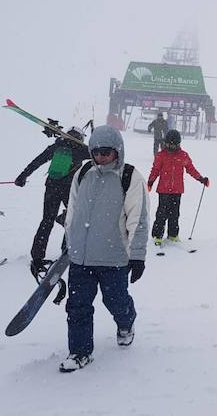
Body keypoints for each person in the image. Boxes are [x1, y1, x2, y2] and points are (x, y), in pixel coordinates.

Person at [59, 125, 149, 372]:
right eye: (96, 152)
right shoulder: (83, 173)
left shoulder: (130, 177)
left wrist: (137, 256)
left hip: (113, 258)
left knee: (116, 301)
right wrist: (70, 241)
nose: (101, 157)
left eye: (106, 152)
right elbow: (73, 211)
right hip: (81, 258)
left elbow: (139, 219)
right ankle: (79, 352)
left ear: (117, 151)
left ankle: (126, 322)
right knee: (77, 306)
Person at [14, 125, 90, 278]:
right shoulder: (82, 150)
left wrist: (23, 176)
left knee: (47, 220)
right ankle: (66, 249)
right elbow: (98, 154)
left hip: (52, 187)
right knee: (74, 218)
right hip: (69, 188)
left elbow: (37, 161)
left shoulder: (57, 146)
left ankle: (37, 256)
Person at [147, 129, 208, 246]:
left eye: (174, 145)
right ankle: (157, 235)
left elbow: (191, 169)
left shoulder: (183, 156)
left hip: (177, 190)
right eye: (169, 145)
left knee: (174, 214)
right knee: (162, 213)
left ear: (178, 144)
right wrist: (150, 182)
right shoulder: (161, 155)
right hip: (164, 190)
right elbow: (155, 170)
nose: (172, 147)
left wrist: (201, 179)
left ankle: (173, 235)